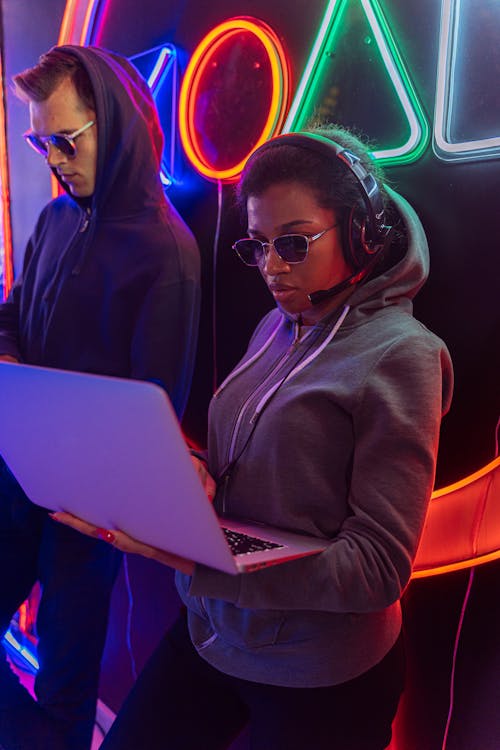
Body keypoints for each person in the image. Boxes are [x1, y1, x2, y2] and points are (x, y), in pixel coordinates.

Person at [54, 125, 453, 750]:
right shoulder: (279, 322)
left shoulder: (405, 356)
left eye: (293, 243)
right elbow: (256, 459)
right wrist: (189, 472)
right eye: (259, 245)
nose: (270, 268)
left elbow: (376, 569)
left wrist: (201, 558)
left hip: (315, 674)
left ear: (362, 235)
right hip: (213, 626)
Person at [0, 45, 200, 750]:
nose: (53, 158)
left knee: (64, 688)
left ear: (112, 122)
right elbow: (14, 315)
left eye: (64, 139)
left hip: (87, 519)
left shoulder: (166, 252)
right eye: (40, 140)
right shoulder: (55, 221)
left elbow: (154, 413)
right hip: (16, 478)